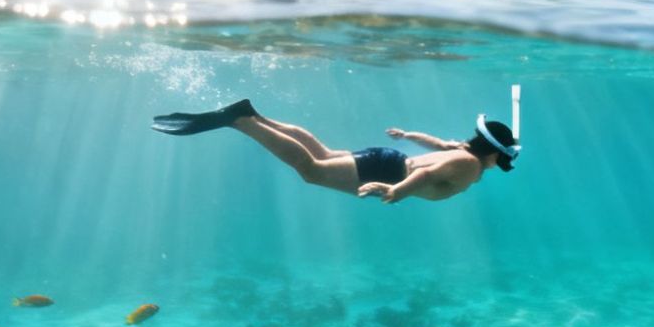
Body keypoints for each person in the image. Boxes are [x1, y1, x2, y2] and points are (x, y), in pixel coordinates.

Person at [151, 99, 517, 203]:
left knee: (323, 154)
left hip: (387, 160)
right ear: (495, 155)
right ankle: (241, 122)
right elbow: (425, 174)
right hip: (390, 173)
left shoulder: (458, 150)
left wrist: (406, 133)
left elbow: (430, 145)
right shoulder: (470, 167)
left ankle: (254, 114)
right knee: (312, 169)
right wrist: (396, 192)